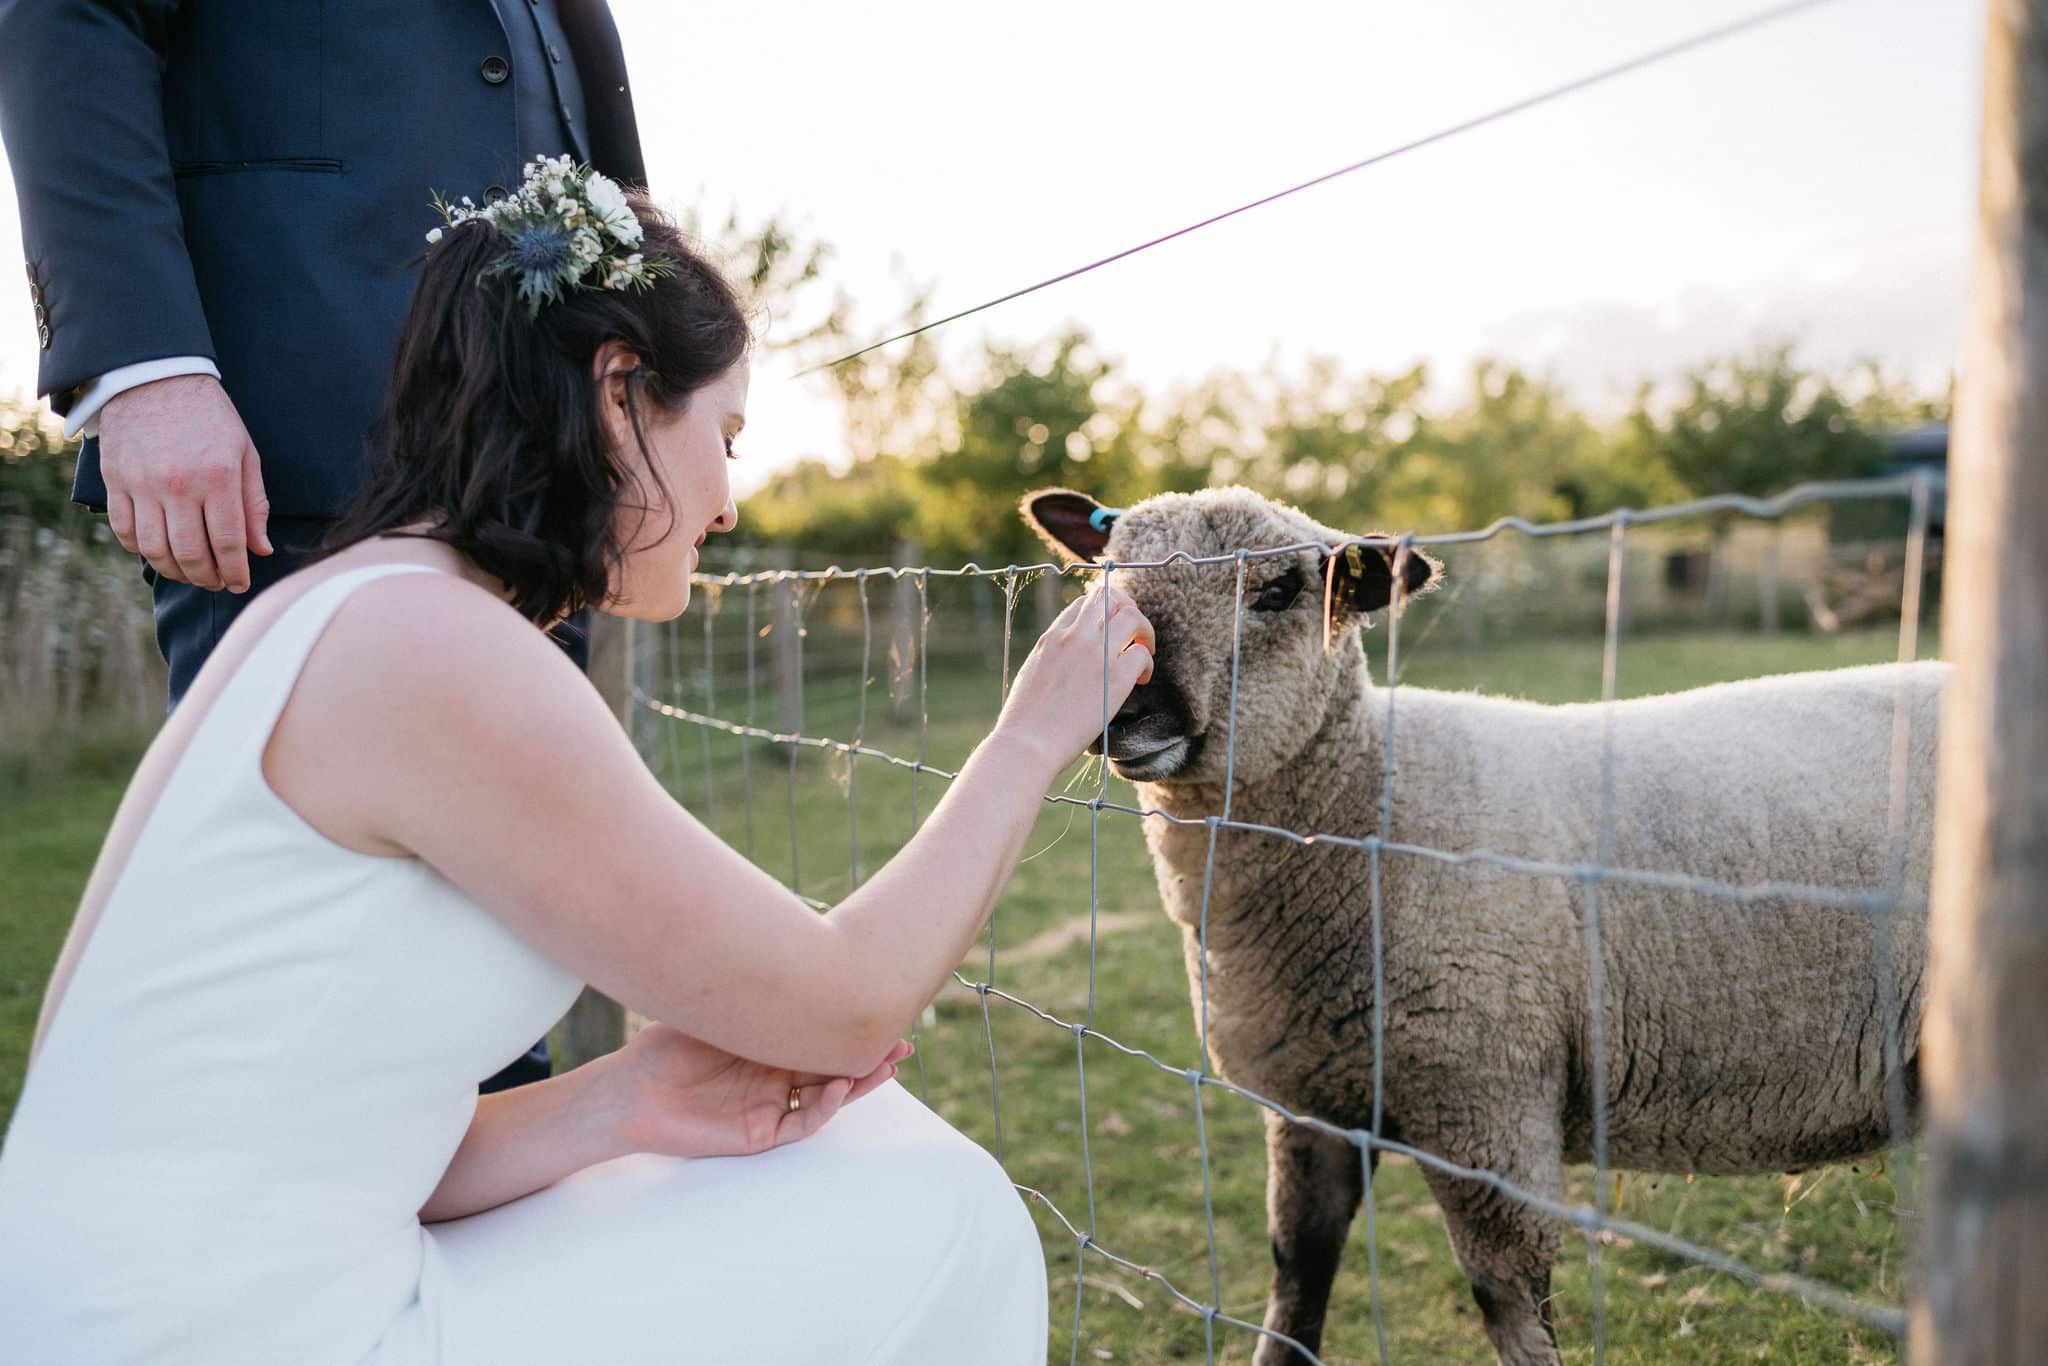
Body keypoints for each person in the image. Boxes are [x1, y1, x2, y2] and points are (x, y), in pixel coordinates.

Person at [0, 162, 1157, 1363]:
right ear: (619, 393)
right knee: (942, 1214)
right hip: (219, 1333)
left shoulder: (337, 611)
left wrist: (623, 1097)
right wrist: (1030, 734)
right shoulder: (437, 651)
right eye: (726, 435)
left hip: (120, 1310)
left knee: (858, 1154)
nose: (728, 504)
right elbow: (848, 1002)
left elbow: (267, 1129)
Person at [0, 0, 643, 1091]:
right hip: (305, 449)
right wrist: (147, 365)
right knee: (322, 987)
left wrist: (644, 368)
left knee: (497, 973)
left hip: (541, 469)